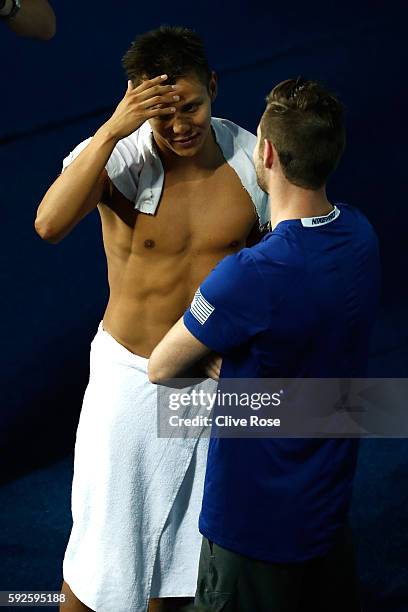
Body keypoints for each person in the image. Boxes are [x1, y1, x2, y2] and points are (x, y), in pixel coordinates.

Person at [35, 26, 268, 612]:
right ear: (136, 104)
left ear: (213, 87)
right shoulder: (119, 155)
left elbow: (272, 273)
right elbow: (49, 225)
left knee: (184, 564)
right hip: (129, 379)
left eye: (190, 106)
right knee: (102, 562)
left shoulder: (250, 161)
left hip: (209, 389)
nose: (180, 125)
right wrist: (114, 129)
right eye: (162, 115)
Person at [148, 78, 380, 611]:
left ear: (267, 152)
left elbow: (162, 368)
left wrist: (223, 365)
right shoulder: (363, 237)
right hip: (327, 516)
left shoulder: (248, 276)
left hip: (251, 532)